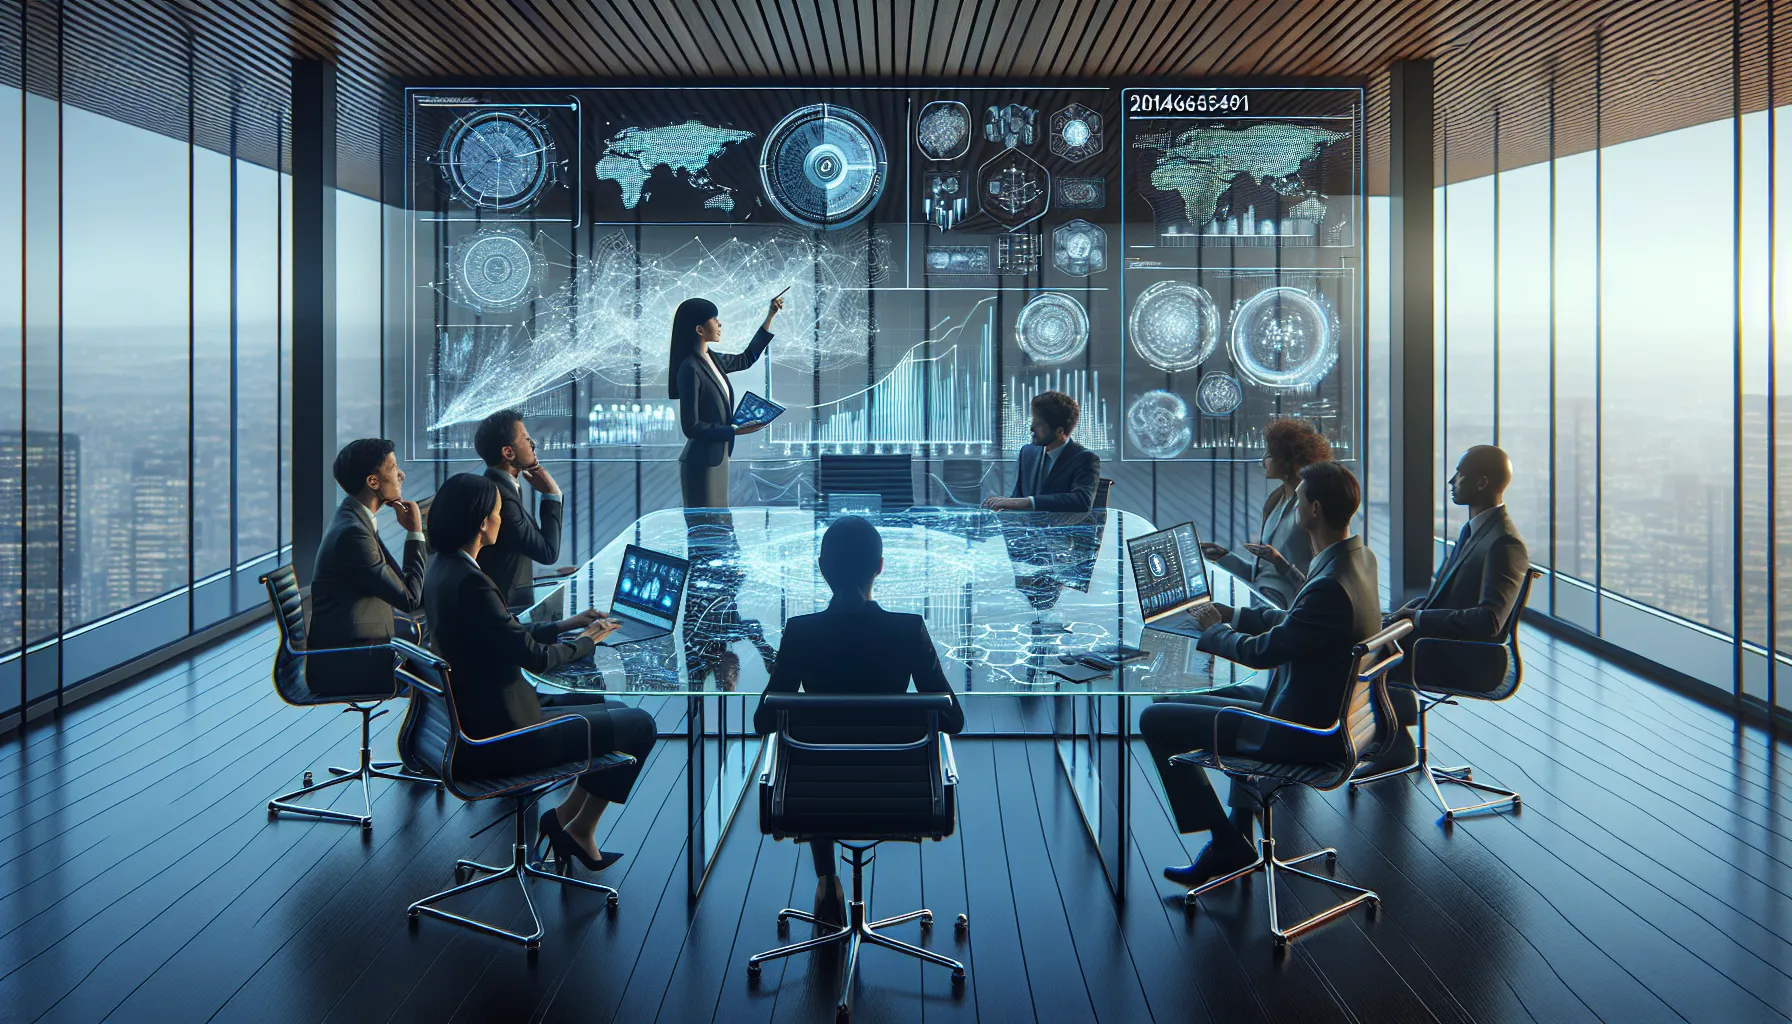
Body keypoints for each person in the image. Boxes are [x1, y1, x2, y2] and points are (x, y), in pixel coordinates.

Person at [1138, 462, 1380, 889]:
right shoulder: (1356, 560)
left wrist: (1214, 631)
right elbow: (1295, 621)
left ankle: (1225, 840)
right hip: (1316, 711)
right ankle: (1237, 833)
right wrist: (1233, 614)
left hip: (1296, 731)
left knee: (1154, 719)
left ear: (1314, 510)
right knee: (1169, 702)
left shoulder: (1328, 585)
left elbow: (1263, 652)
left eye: (1298, 500)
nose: (1294, 505)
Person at [423, 472, 658, 874]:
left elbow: (504, 634)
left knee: (605, 703)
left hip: (475, 723)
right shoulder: (474, 584)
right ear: (482, 523)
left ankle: (564, 820)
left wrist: (567, 626)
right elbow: (534, 658)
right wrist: (588, 641)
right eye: (498, 513)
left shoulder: (443, 570)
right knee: (640, 726)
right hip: (503, 738)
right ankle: (579, 827)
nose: (502, 520)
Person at [751, 516, 965, 926]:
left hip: (812, 796)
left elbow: (763, 720)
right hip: (899, 794)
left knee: (816, 757)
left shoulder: (800, 633)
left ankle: (827, 879)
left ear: (822, 568)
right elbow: (953, 719)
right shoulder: (908, 631)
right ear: (880, 567)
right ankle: (830, 881)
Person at [1366, 444, 1531, 772]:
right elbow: (1448, 598)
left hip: (1472, 660)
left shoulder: (1504, 543)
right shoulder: (1476, 531)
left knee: (1370, 652)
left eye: (1460, 474)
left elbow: (1489, 621)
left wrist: (1419, 618)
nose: (1451, 481)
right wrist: (1414, 610)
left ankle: (1392, 744)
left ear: (1481, 483)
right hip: (1442, 645)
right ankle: (1391, 740)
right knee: (1372, 634)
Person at [307, 438, 427, 697]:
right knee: (451, 668)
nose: (401, 475)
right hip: (350, 662)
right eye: (393, 467)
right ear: (373, 482)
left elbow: (402, 586)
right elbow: (409, 599)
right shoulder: (354, 533)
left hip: (360, 646)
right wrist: (416, 533)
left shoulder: (354, 518)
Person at [1199, 418, 1333, 608]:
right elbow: (1262, 574)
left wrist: (1280, 563)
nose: (1263, 461)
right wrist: (1224, 557)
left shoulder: (1309, 509)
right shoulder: (1275, 500)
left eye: (1269, 454)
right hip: (1260, 598)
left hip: (1286, 609)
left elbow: (1318, 585)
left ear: (1287, 460)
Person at [670, 293, 786, 509]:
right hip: (701, 463)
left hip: (719, 457)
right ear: (700, 329)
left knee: (720, 523)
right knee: (706, 526)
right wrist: (734, 430)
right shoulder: (690, 368)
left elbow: (747, 358)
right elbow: (691, 427)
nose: (720, 323)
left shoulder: (713, 359)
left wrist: (770, 315)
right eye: (714, 319)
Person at [473, 410, 564, 610]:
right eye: (526, 438)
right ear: (508, 453)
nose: (533, 444)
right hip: (497, 612)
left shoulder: (497, 487)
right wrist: (552, 494)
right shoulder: (503, 499)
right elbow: (548, 552)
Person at [982, 390, 1101, 514]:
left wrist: (1028, 502)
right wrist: (1002, 503)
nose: (1032, 427)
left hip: (1061, 531)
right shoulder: (1027, 453)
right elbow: (1018, 497)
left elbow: (1081, 501)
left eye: (1039, 423)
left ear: (1059, 431)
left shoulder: (1085, 458)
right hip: (1026, 531)